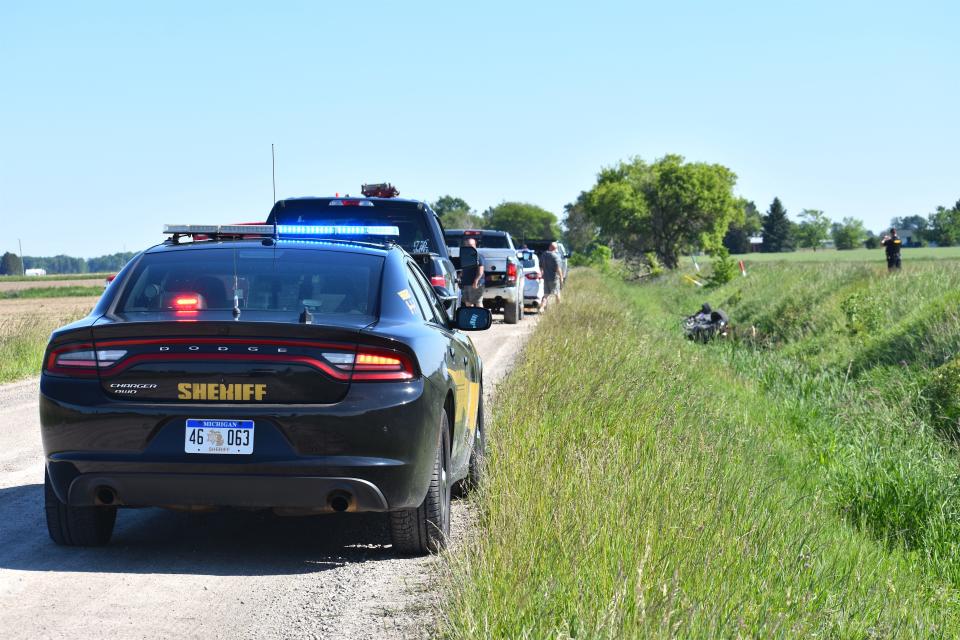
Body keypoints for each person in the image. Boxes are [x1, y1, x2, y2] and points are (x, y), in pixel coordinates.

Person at [459, 237, 485, 307]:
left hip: (476, 284)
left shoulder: (478, 256)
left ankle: (481, 317)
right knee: (468, 303)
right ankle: (470, 317)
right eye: (467, 245)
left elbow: (481, 271)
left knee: (478, 302)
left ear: (475, 245)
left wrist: (476, 281)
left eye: (470, 245)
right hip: (466, 283)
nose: (468, 247)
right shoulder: (464, 257)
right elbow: (463, 269)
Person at [540, 242, 564, 311]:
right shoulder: (556, 256)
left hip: (546, 278)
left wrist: (542, 274)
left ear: (550, 247)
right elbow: (558, 269)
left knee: (546, 295)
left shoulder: (543, 255)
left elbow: (541, 266)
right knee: (557, 294)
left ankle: (542, 308)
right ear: (555, 248)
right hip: (554, 279)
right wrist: (561, 278)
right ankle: (558, 310)